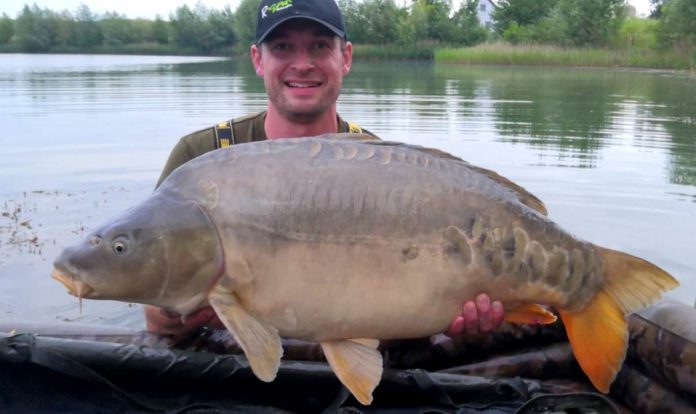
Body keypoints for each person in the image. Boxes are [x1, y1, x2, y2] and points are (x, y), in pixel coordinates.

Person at [145, 0, 504, 338]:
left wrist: (455, 315)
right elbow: (155, 317)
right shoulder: (200, 156)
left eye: (319, 46)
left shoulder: (386, 167)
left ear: (345, 57)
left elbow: (397, 312)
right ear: (257, 59)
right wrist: (177, 314)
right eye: (282, 47)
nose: (302, 64)